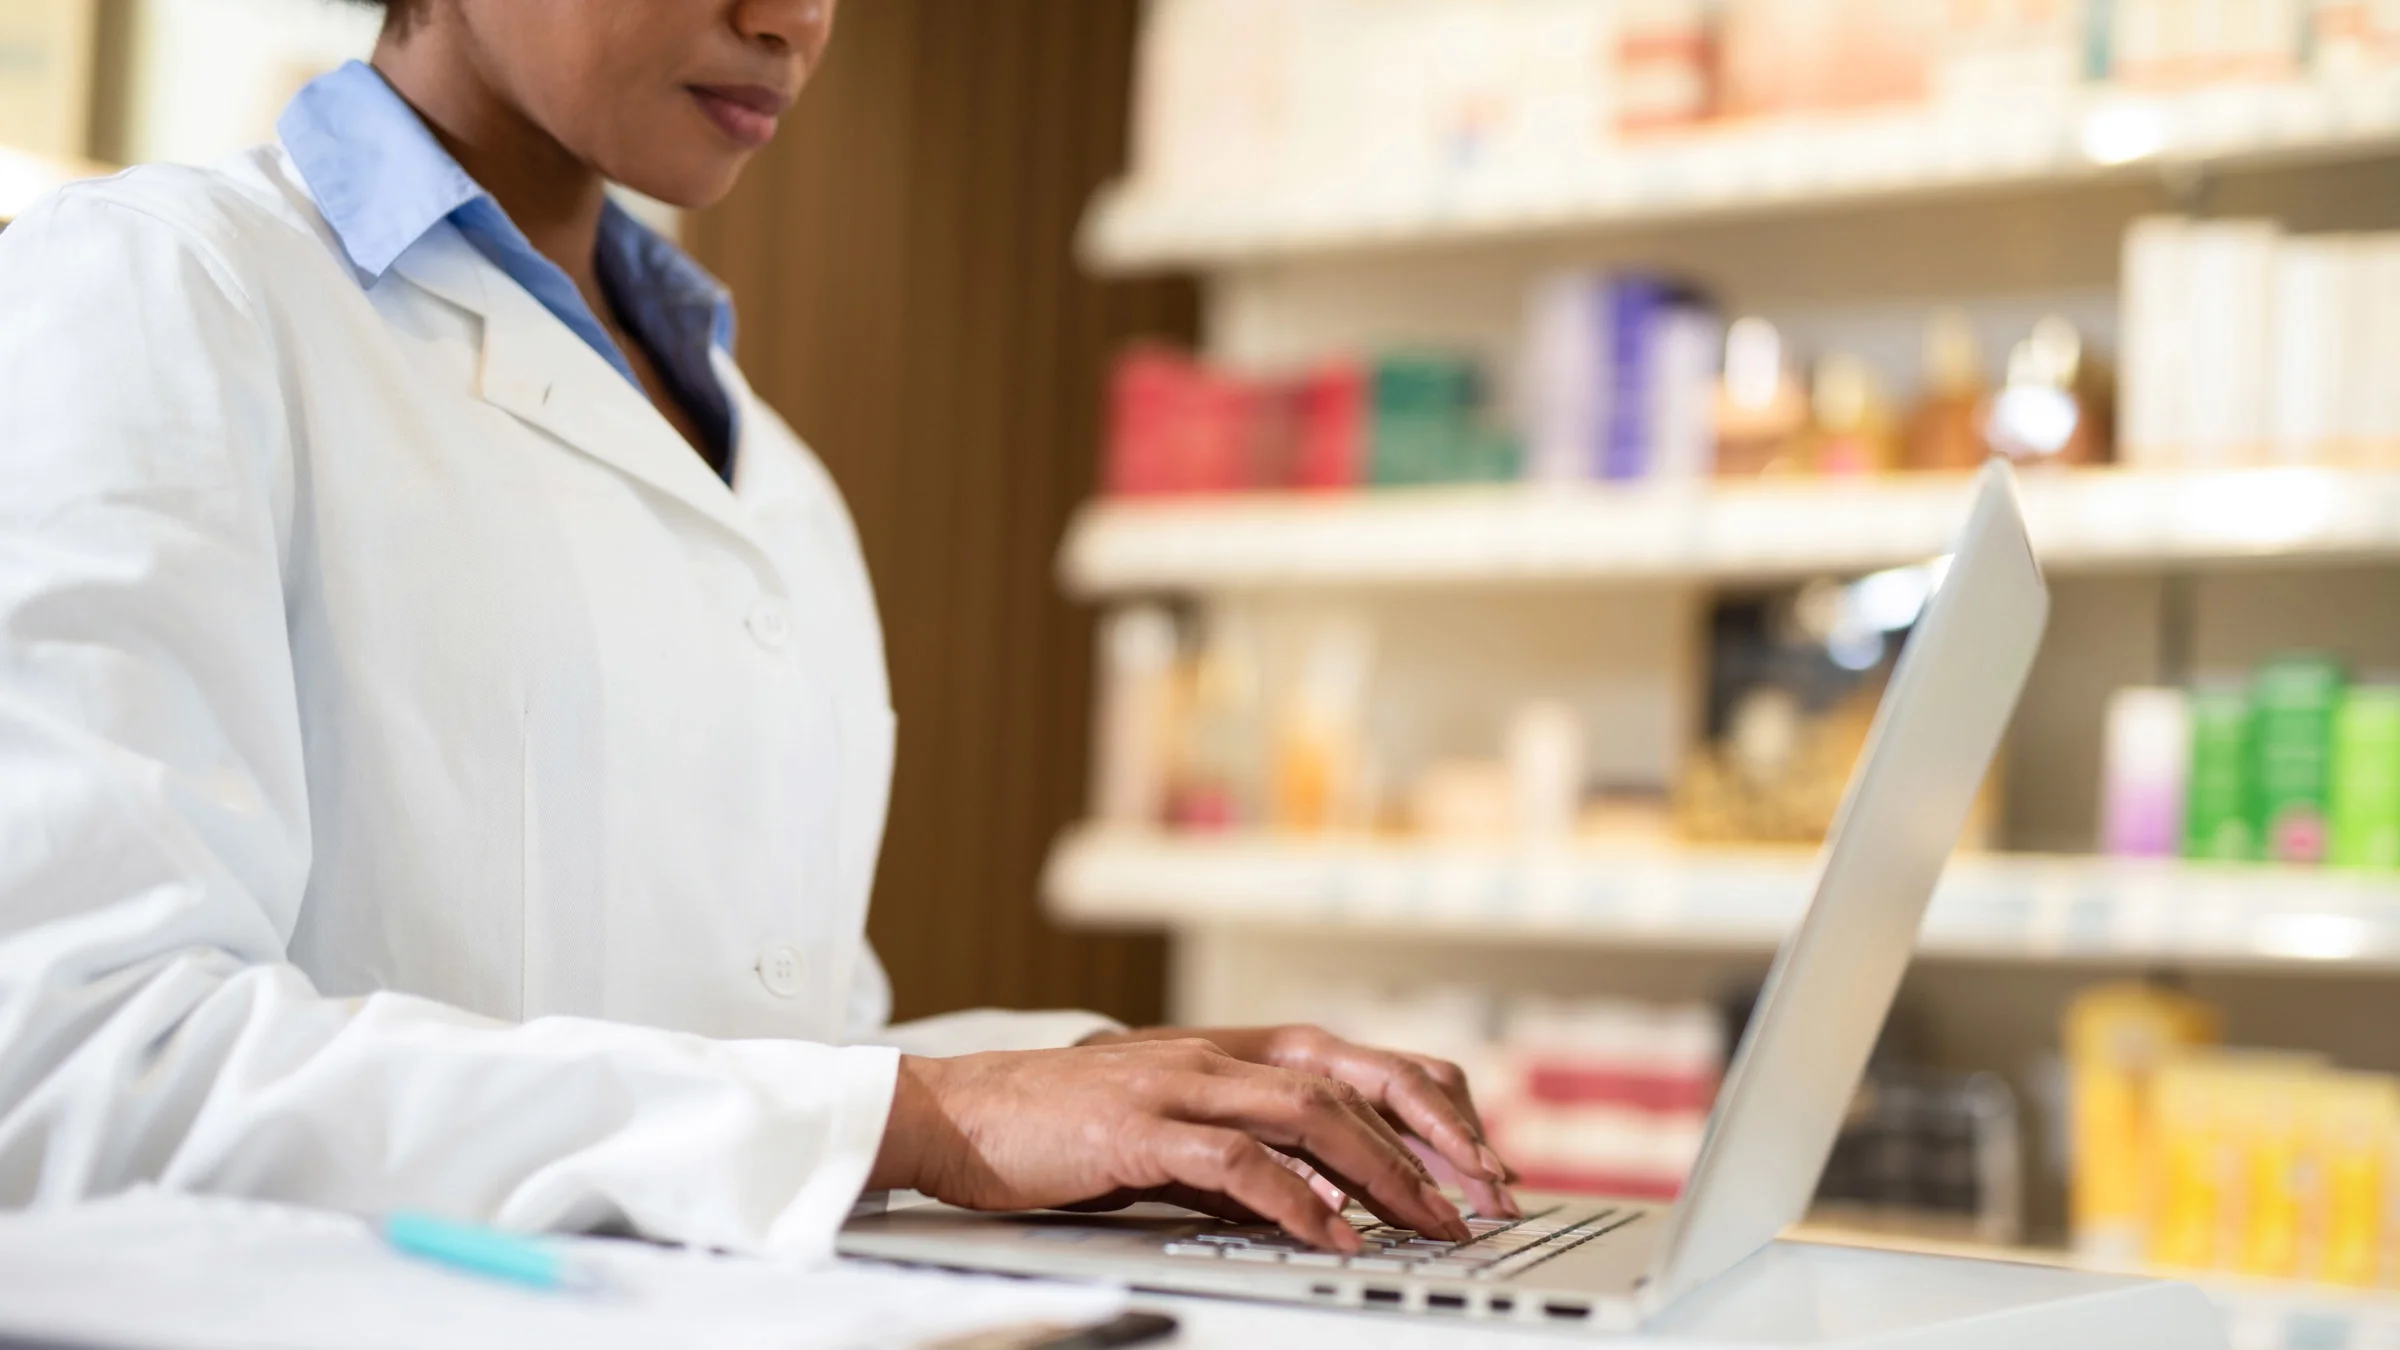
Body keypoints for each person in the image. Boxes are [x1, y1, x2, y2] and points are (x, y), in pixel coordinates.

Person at [0, 0, 1516, 1259]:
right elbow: (72, 1070)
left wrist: (1118, 1078)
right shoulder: (158, 291)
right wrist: (921, 1113)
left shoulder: (771, 473)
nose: (790, 19)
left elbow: (740, 1052)